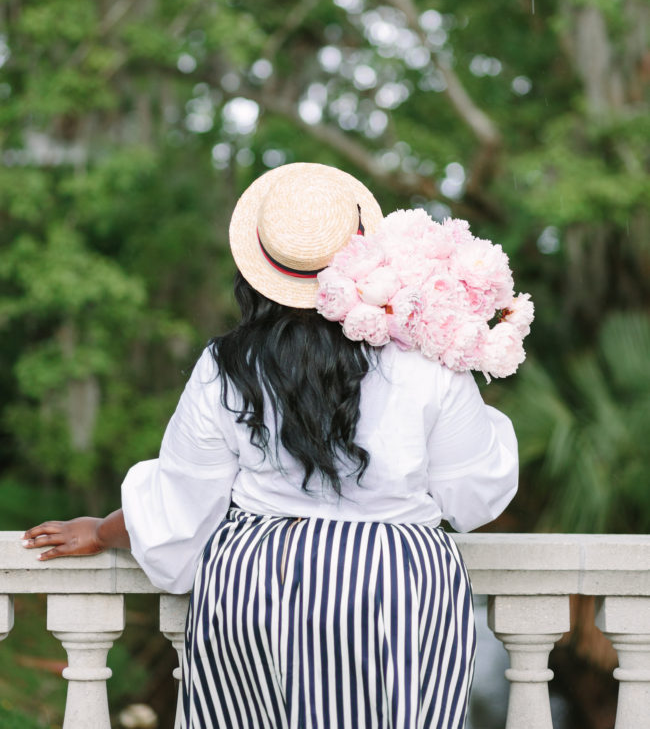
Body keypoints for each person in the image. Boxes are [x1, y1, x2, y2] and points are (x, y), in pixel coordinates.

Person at [22, 162, 518, 729]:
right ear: (366, 252)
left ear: (259, 268)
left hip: (261, 589)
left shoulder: (228, 365)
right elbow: (474, 499)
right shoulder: (427, 358)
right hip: (397, 589)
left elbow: (181, 502)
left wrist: (103, 530)